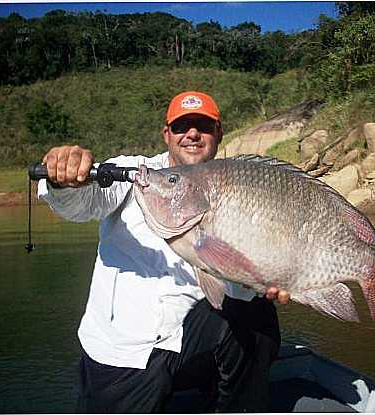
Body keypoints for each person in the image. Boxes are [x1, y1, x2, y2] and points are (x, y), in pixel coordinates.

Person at [38, 91, 289, 413]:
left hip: (192, 339)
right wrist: (65, 180)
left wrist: (272, 279)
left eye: (204, 126)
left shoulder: (238, 189)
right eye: (182, 125)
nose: (193, 134)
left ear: (219, 133)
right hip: (126, 351)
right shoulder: (134, 173)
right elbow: (81, 204)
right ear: (167, 134)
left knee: (257, 315)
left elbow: (239, 274)